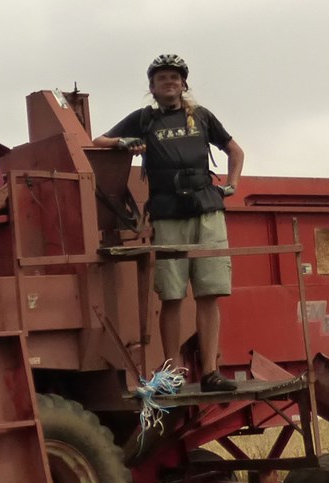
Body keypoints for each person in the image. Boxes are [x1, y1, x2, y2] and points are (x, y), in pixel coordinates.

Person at [92, 54, 245, 392]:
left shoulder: (201, 117)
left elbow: (235, 150)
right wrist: (122, 142)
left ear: (184, 84)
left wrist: (232, 184)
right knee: (172, 296)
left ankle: (210, 372)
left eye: (175, 77)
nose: (169, 82)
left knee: (209, 293)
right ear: (152, 87)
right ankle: (173, 373)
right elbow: (97, 141)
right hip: (167, 212)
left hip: (206, 210)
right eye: (162, 78)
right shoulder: (144, 119)